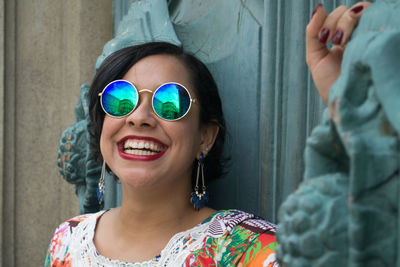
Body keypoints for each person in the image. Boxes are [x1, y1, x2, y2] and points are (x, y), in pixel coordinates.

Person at [44, 2, 371, 266]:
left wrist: (355, 112)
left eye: (170, 102)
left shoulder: (248, 251)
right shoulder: (68, 241)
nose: (139, 117)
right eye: (121, 99)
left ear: (206, 137)